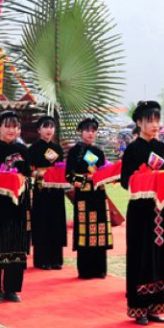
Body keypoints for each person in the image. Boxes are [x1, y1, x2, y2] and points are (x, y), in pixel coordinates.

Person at [121, 101, 164, 326]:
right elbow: (126, 181)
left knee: (159, 255)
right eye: (150, 120)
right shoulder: (133, 149)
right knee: (141, 256)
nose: (154, 125)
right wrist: (143, 176)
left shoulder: (162, 148)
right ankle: (139, 308)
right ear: (139, 123)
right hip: (140, 210)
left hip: (160, 209)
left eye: (157, 120)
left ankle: (156, 307)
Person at [0, 111, 31, 304]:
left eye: (15, 126)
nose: (11, 130)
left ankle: (12, 289)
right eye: (7, 126)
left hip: (18, 206)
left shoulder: (23, 151)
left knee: (16, 248)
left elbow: (28, 177)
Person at [67, 118, 112, 279]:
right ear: (80, 132)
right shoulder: (74, 151)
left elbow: (105, 171)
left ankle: (100, 269)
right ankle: (85, 270)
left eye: (93, 130)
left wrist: (105, 177)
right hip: (83, 197)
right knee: (85, 231)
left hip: (99, 195)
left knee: (100, 230)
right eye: (87, 130)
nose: (90, 133)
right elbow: (69, 175)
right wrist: (86, 180)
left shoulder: (99, 151)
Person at [29, 116, 66, 270]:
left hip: (56, 191)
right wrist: (39, 173)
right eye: (45, 126)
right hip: (41, 191)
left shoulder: (58, 149)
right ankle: (41, 259)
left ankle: (56, 258)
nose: (49, 130)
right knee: (42, 223)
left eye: (51, 127)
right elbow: (29, 170)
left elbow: (62, 167)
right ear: (39, 130)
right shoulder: (33, 149)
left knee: (56, 223)